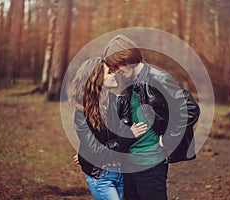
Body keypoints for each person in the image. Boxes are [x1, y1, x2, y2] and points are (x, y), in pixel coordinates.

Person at [101, 35, 200, 200]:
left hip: (150, 162)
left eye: (117, 65)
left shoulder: (158, 78)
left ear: (127, 58)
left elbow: (190, 109)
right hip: (129, 161)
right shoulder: (127, 80)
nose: (116, 70)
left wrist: (169, 139)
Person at [70, 57, 147, 200]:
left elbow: (115, 139)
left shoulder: (120, 102)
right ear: (97, 78)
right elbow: (97, 150)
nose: (115, 74)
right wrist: (128, 136)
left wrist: (85, 152)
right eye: (109, 72)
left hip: (121, 173)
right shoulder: (82, 111)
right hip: (100, 176)